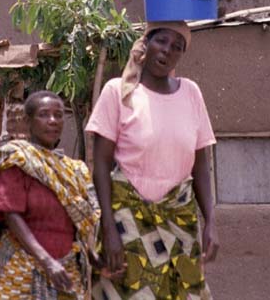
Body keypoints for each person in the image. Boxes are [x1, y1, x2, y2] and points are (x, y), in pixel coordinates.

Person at [86, 21, 219, 299]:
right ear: (145, 44)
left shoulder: (191, 93)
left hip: (180, 219)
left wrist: (211, 222)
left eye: (177, 47)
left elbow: (201, 166)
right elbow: (100, 165)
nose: (167, 51)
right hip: (128, 221)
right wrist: (109, 228)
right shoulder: (118, 92)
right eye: (162, 41)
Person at [0, 91, 101, 299]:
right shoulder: (17, 160)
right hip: (20, 272)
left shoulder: (74, 171)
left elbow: (87, 223)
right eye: (44, 114)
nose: (53, 121)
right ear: (28, 121)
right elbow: (10, 214)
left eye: (59, 115)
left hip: (66, 272)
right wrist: (47, 261)